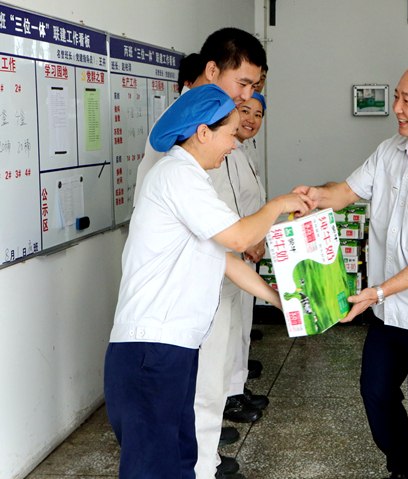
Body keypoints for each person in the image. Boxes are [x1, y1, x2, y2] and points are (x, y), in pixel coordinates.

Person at [104, 84, 310, 479]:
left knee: (182, 458)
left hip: (173, 346)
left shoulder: (193, 180)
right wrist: (280, 205)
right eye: (230, 134)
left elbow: (226, 259)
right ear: (203, 132)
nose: (233, 144)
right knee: (152, 467)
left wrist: (280, 300)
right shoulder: (176, 176)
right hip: (151, 349)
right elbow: (239, 238)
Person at [292, 62, 408, 479]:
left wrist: (377, 292)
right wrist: (317, 196)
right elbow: (348, 191)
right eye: (397, 96)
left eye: (407, 100)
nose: (396, 107)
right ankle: (406, 467)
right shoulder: (390, 151)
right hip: (386, 308)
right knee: (376, 392)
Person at [194, 93, 269, 479]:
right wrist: (274, 212)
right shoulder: (183, 174)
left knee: (233, 337)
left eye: (257, 114)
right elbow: (228, 222)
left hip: (234, 254)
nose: (248, 121)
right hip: (218, 262)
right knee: (208, 366)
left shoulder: (238, 151)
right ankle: (201, 455)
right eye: (243, 112)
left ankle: (207, 448)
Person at [133, 27, 267, 207]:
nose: (247, 95)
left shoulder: (225, 118)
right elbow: (149, 200)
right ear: (212, 70)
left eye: (254, 87)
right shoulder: (176, 125)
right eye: (243, 84)